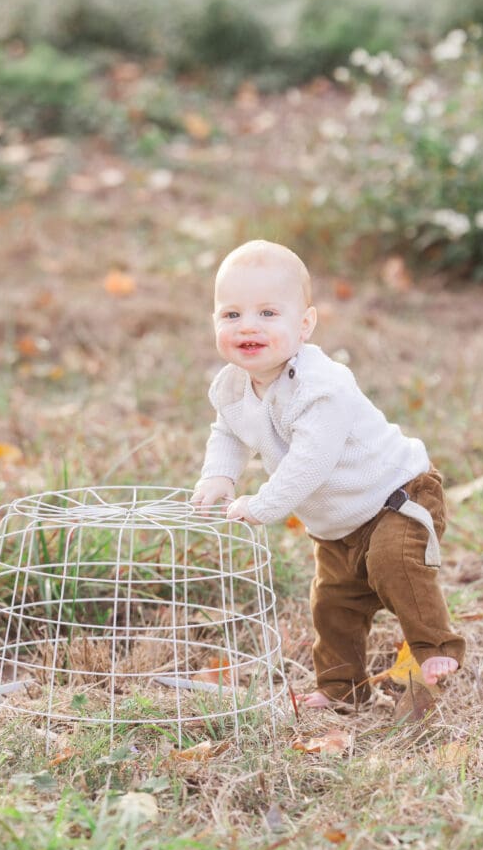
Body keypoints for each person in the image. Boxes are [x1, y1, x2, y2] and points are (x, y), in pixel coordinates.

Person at [191, 239, 465, 716]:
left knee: (393, 565)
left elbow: (310, 462)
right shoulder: (233, 385)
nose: (247, 326)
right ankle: (343, 688)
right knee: (333, 605)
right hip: (337, 526)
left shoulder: (322, 385)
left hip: (395, 498)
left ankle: (435, 646)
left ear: (305, 325)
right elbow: (228, 431)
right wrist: (220, 476)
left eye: (268, 313)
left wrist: (263, 506)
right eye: (230, 315)